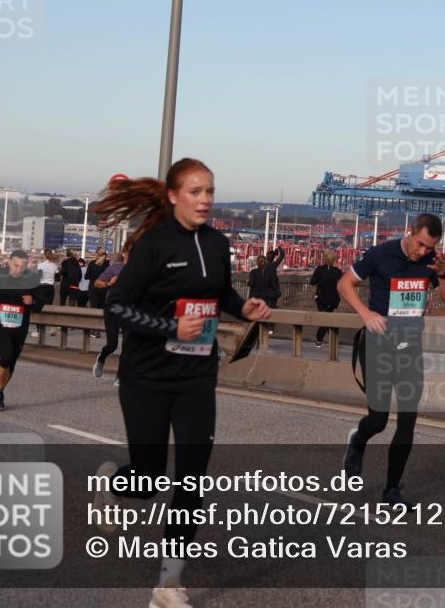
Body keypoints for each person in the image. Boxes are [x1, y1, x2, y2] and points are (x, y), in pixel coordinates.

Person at [90, 158, 270, 607]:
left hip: (196, 376)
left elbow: (221, 293)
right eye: (195, 191)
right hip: (146, 377)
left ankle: (168, 585)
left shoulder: (217, 242)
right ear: (173, 196)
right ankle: (112, 483)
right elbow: (116, 307)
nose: (205, 199)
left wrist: (242, 308)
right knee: (148, 481)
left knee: (192, 482)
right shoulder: (153, 245)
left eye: (210, 190)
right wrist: (171, 327)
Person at [338, 213, 445, 508]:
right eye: (420, 245)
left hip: (410, 348)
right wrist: (366, 315)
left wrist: (442, 273)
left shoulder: (431, 263)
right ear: (410, 232)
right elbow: (344, 284)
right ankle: (358, 440)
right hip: (378, 345)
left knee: (407, 422)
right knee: (378, 420)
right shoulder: (381, 254)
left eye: (430, 247)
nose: (422, 252)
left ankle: (391, 491)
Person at [0, 250, 42, 410]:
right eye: (15, 265)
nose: (18, 269)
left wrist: (33, 300)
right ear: (8, 262)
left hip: (19, 325)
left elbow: (42, 299)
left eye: (22, 266)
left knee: (12, 362)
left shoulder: (32, 278)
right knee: (6, 354)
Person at [91, 246, 129, 383]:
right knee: (112, 344)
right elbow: (97, 283)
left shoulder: (141, 270)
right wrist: (109, 283)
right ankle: (101, 358)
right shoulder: (114, 268)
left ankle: (120, 375)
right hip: (112, 308)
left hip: (130, 310)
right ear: (124, 254)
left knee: (127, 344)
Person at [309, 250, 342, 348]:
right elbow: (342, 283)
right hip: (333, 299)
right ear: (333, 260)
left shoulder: (319, 269)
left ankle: (319, 339)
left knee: (324, 318)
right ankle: (332, 337)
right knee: (328, 317)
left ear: (325, 258)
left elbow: (312, 282)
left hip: (321, 298)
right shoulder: (337, 271)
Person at [247, 254, 276, 335]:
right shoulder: (269, 273)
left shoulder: (253, 272)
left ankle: (253, 333)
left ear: (257, 263)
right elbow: (273, 285)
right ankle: (263, 333)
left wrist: (248, 282)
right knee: (263, 316)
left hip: (254, 297)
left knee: (254, 316)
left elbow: (251, 283)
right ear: (265, 262)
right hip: (265, 297)